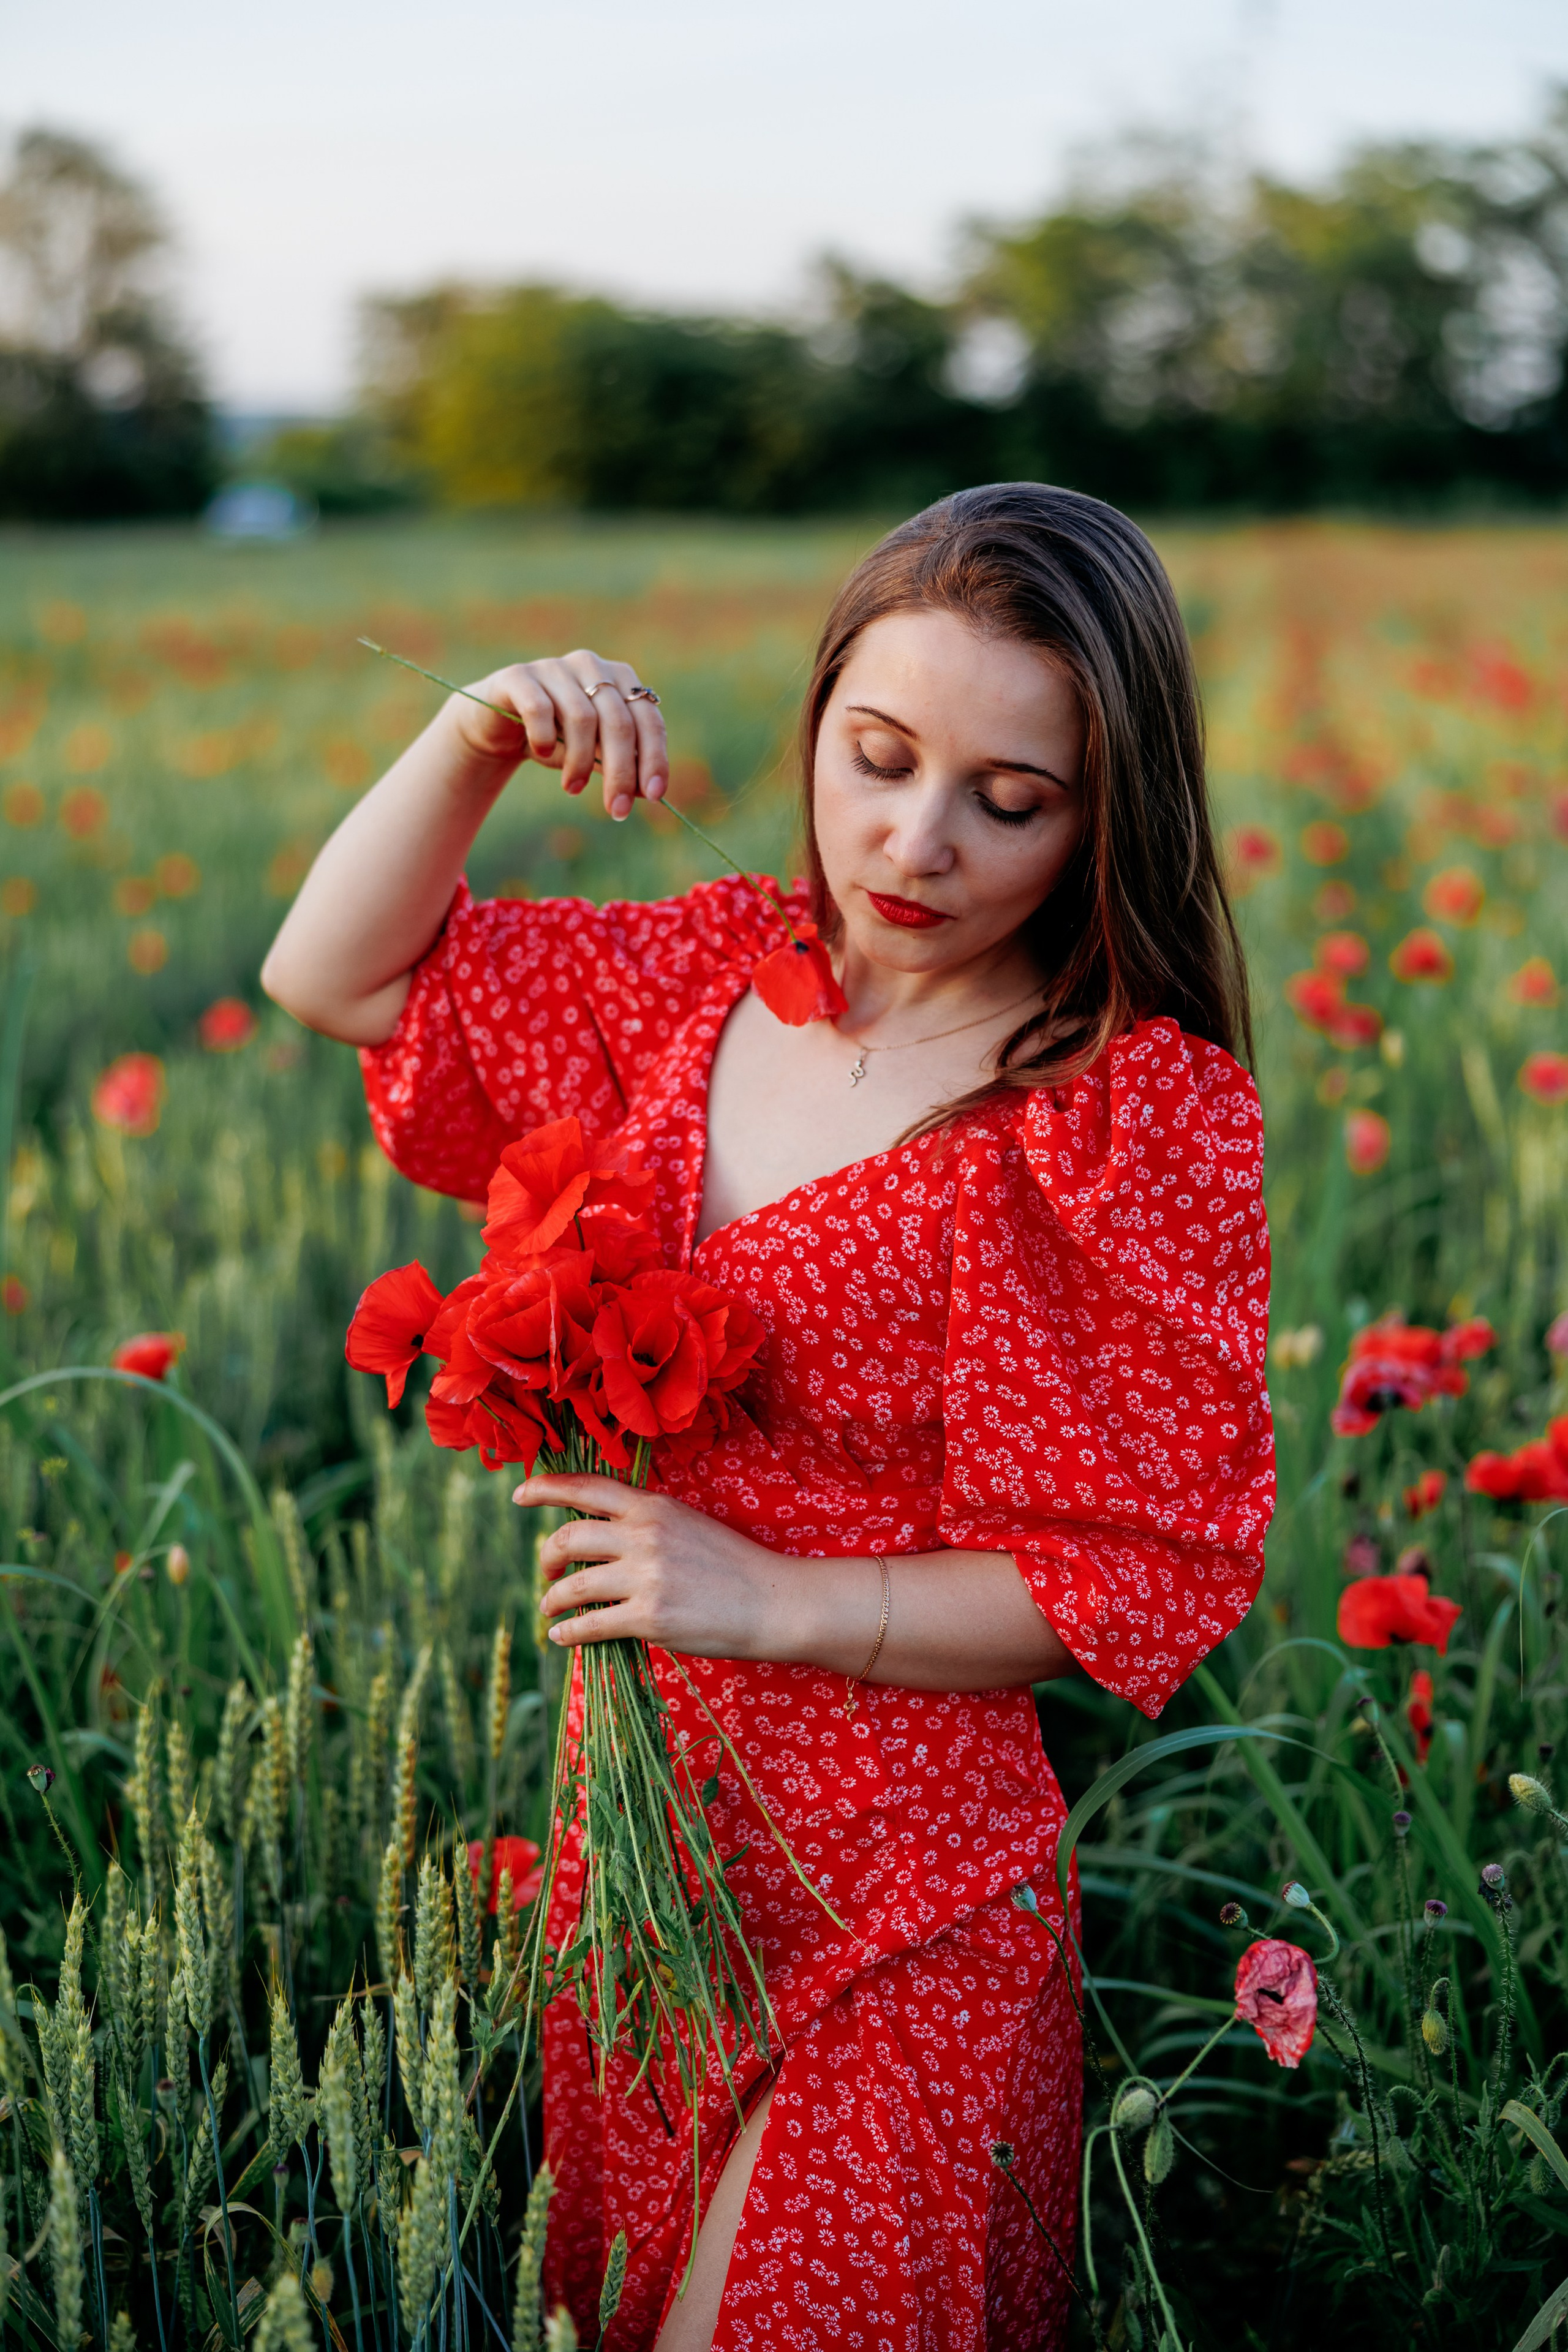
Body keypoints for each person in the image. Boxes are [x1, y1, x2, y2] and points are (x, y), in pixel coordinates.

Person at [262, 482, 1275, 2351]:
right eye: (878, 756)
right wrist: (474, 729)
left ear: (1105, 813)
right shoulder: (685, 978)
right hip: (650, 1866)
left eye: (1013, 797)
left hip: (915, 1888)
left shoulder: (1124, 1116)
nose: (918, 839)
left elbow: (1132, 1577)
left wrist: (775, 1599)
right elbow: (333, 975)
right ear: (817, 719)